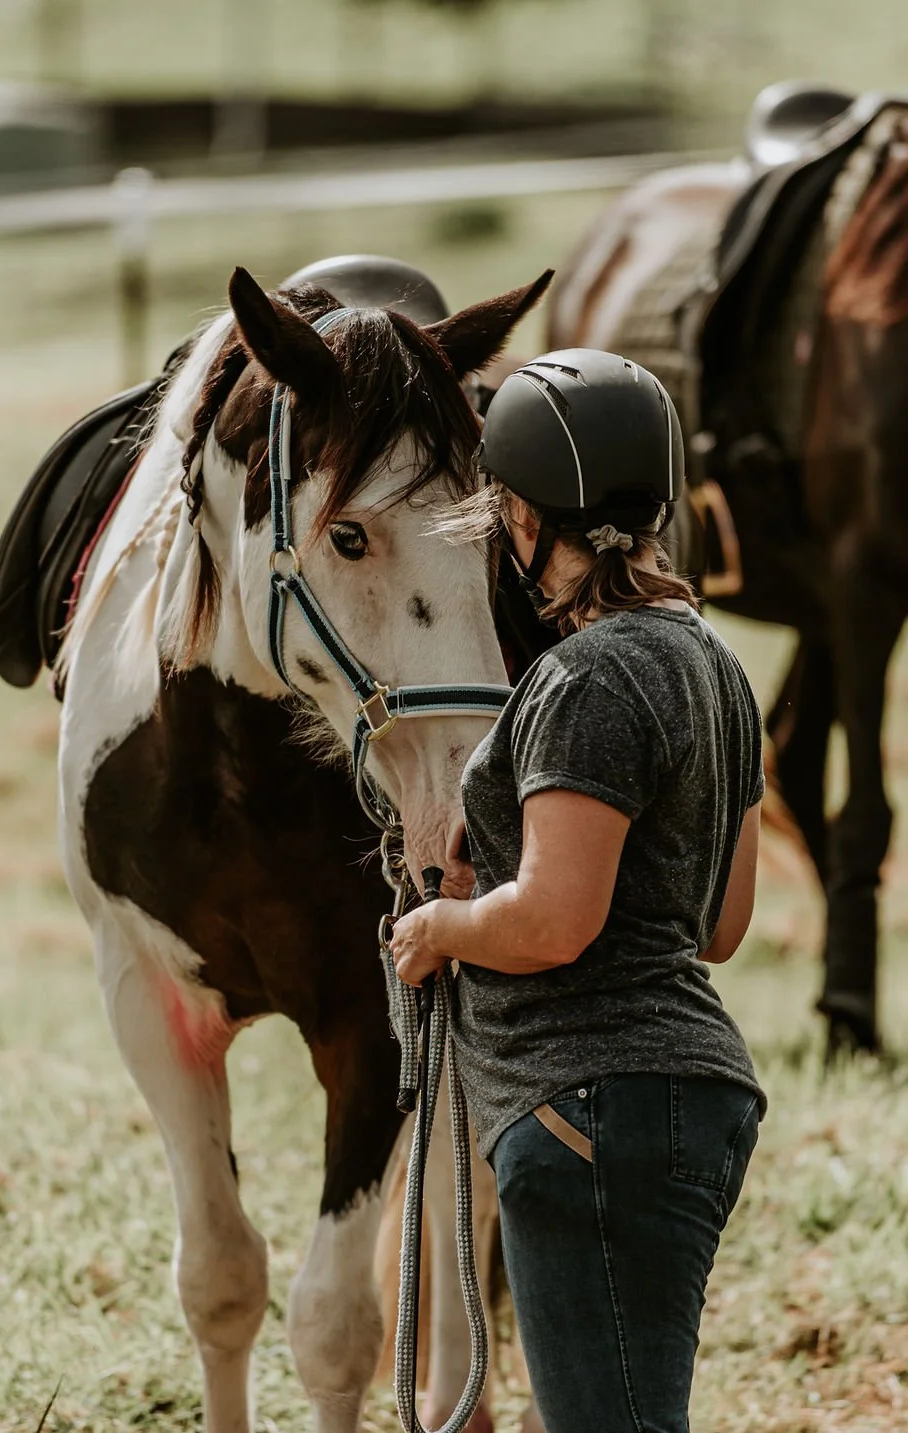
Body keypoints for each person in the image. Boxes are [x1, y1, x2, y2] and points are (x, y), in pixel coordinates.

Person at [390, 349, 766, 1433]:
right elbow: (722, 924)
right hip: (691, 1094)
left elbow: (555, 920)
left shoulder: (583, 675)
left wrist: (440, 926)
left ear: (522, 519)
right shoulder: (715, 667)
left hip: (586, 1103)